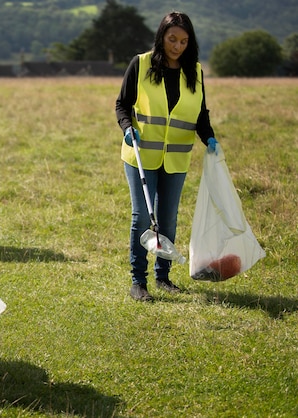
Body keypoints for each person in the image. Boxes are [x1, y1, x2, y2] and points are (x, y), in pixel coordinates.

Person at [115, 11, 218, 302]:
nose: (177, 46)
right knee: (141, 218)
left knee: (168, 220)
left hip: (176, 158)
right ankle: (139, 281)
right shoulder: (141, 63)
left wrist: (208, 137)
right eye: (172, 39)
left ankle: (163, 276)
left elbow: (200, 114)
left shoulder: (195, 72)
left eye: (184, 41)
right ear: (161, 36)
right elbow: (122, 104)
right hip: (141, 155)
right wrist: (127, 128)